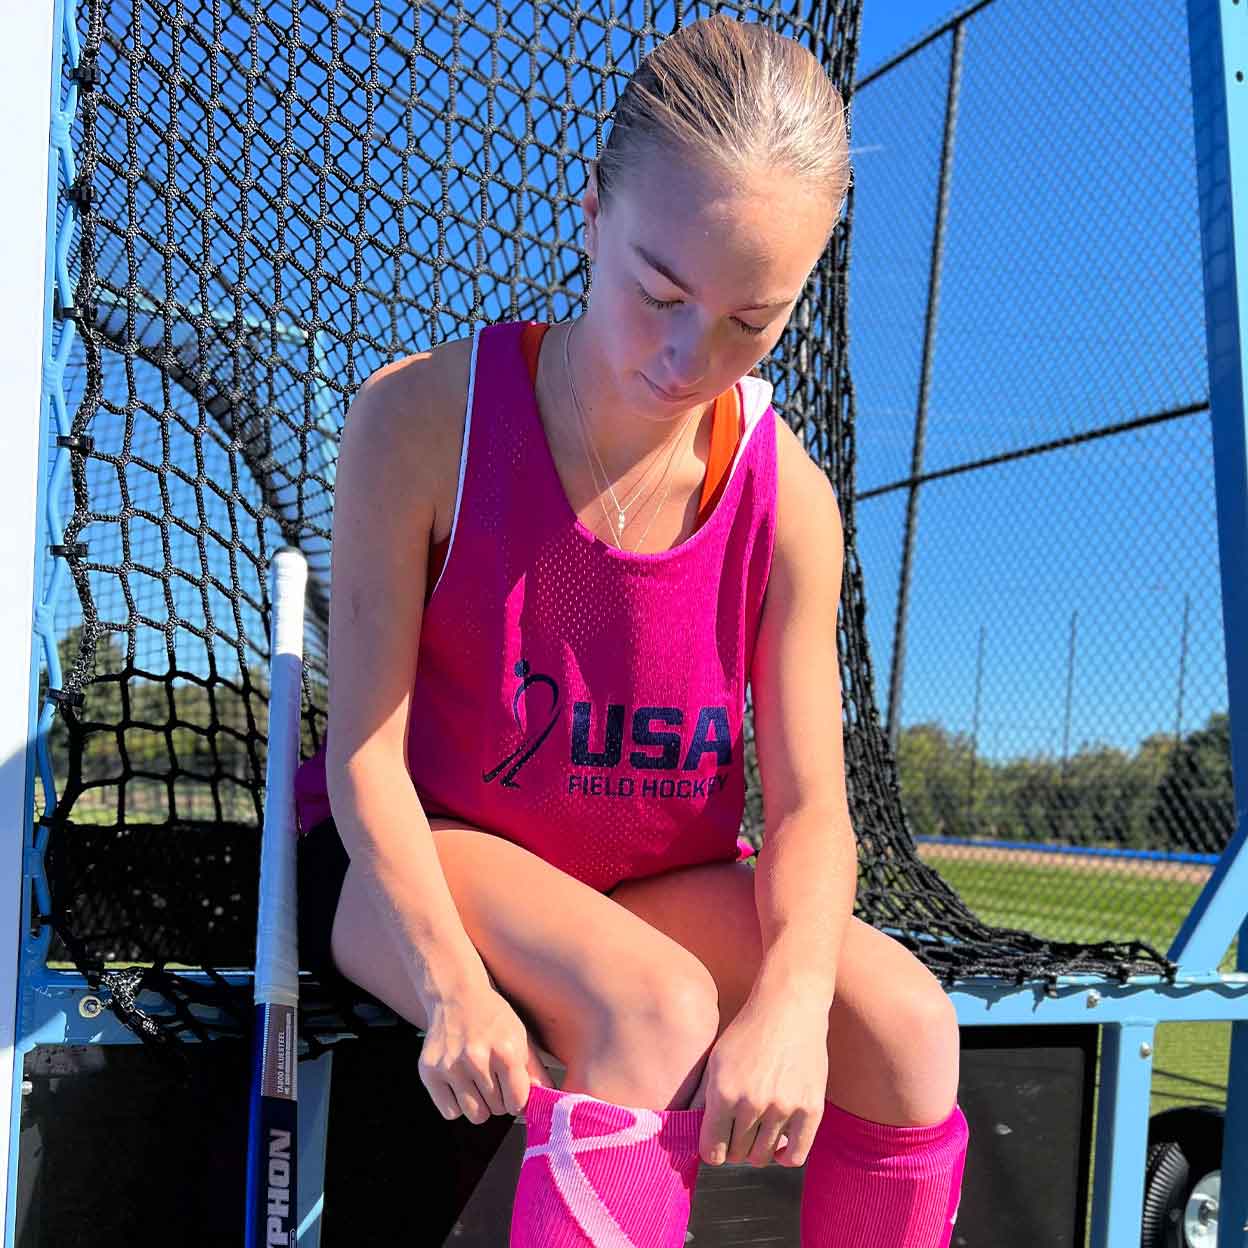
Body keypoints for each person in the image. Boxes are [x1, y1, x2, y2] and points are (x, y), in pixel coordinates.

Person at [294, 14, 968, 1246]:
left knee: (913, 1027)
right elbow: (365, 763)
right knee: (654, 1009)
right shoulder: (421, 419)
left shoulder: (788, 499)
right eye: (659, 290)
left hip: (652, 884)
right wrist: (451, 988)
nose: (685, 354)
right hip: (435, 866)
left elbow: (815, 809)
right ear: (592, 210)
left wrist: (792, 999)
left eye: (750, 321)